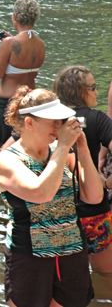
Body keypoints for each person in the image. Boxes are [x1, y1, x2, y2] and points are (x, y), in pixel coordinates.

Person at [0, 86, 103, 307]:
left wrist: (82, 148)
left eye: (60, 120)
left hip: (71, 252)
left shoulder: (62, 153)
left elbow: (94, 197)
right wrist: (63, 146)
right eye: (52, 120)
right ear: (29, 122)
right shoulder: (7, 160)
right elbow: (40, 193)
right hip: (29, 256)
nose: (58, 126)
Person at [53, 65, 112, 273]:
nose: (97, 92)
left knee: (63, 276)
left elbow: (8, 150)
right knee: (105, 275)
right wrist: (107, 182)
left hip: (56, 210)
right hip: (93, 209)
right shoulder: (97, 119)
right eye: (93, 87)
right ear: (80, 91)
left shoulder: (48, 118)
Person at [0, 0, 45, 168]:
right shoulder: (40, 44)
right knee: (14, 149)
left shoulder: (10, 43)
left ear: (14, 17)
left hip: (7, 105)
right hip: (27, 102)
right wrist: (11, 41)